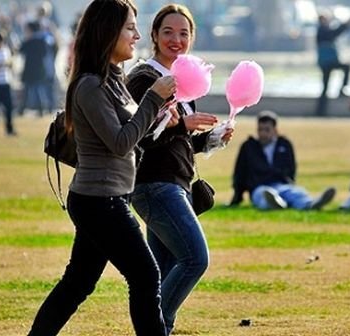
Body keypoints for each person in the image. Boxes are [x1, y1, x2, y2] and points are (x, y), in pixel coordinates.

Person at [28, 1, 173, 335]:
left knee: (77, 283)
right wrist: (151, 100)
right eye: (130, 28)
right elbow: (119, 142)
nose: (137, 35)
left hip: (111, 198)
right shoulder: (90, 85)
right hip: (99, 201)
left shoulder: (115, 79)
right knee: (146, 276)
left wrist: (162, 117)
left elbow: (134, 140)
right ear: (108, 32)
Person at [125, 4, 233, 334]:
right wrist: (183, 125)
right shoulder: (145, 78)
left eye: (184, 33)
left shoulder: (186, 83)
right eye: (168, 32)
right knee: (195, 259)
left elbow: (177, 143)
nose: (176, 39)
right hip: (154, 185)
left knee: (162, 270)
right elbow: (139, 139)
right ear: (154, 35)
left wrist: (211, 139)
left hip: (175, 183)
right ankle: (158, 326)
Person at [230, 110, 336, 210]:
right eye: (260, 130)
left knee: (295, 193)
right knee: (265, 196)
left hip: (281, 184)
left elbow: (291, 168)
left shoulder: (284, 144)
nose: (263, 134)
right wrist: (237, 197)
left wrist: (288, 181)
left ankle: (311, 204)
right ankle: (276, 204)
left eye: (267, 130)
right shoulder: (249, 147)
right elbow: (240, 172)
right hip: (259, 187)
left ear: (275, 130)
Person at [315, 12, 350, 116]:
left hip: (327, 62)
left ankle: (320, 111)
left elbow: (335, 32)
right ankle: (320, 111)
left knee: (325, 87)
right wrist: (345, 25)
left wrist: (345, 26)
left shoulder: (322, 30)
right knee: (346, 67)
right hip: (327, 63)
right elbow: (334, 33)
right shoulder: (322, 30)